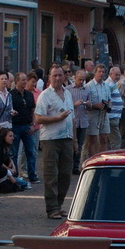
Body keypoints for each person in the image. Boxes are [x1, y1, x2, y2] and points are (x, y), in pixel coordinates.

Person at [35, 66, 77, 219]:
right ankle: (52, 208)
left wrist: (75, 140)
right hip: (50, 139)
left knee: (65, 174)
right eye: (55, 75)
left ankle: (59, 205)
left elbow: (72, 119)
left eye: (60, 75)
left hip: (67, 138)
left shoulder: (67, 93)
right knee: (51, 174)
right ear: (49, 77)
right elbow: (38, 118)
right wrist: (57, 118)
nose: (58, 78)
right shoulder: (45, 95)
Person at [10, 73, 38, 181]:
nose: (25, 82)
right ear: (16, 81)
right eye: (22, 80)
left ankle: (32, 175)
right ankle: (15, 175)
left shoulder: (29, 94)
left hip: (27, 126)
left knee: (31, 152)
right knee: (14, 153)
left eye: (26, 80)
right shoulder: (11, 95)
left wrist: (33, 125)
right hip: (15, 126)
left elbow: (32, 111)